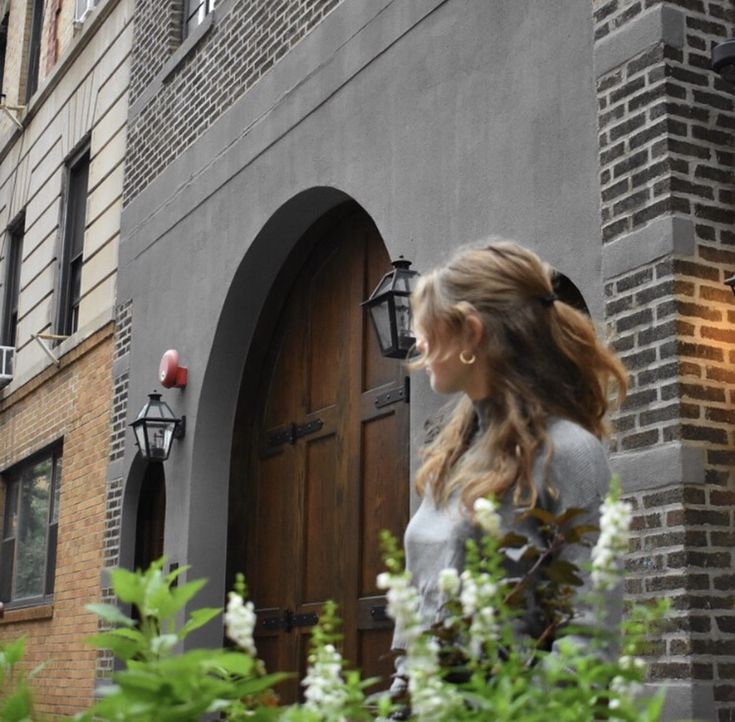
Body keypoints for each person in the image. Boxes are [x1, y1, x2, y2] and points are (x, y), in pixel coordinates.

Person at [389, 239, 629, 697]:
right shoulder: (452, 454)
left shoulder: (568, 452)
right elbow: (420, 603)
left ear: (471, 333)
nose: (418, 342)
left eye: (428, 327)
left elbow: (589, 640)